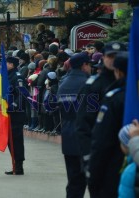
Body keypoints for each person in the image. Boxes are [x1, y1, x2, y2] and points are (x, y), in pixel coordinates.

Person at [76, 42, 127, 180]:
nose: (113, 60)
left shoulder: (131, 85)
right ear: (103, 58)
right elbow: (85, 122)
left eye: (117, 56)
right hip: (101, 150)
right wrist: (87, 155)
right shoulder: (94, 86)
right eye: (110, 56)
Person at [88, 51, 129, 197]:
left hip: (116, 168)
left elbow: (102, 141)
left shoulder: (114, 98)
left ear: (117, 71)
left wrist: (93, 176)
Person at [57, 52, 91, 197]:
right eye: (89, 65)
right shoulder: (88, 83)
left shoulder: (63, 83)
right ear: (84, 65)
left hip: (68, 135)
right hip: (86, 137)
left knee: (73, 181)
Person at [4, 56, 26, 175]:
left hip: (16, 114)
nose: (4, 65)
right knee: (10, 140)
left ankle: (18, 166)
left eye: (6, 63)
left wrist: (13, 105)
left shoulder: (17, 77)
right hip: (8, 113)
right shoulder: (7, 76)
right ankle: (15, 164)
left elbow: (22, 95)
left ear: (12, 64)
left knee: (16, 140)